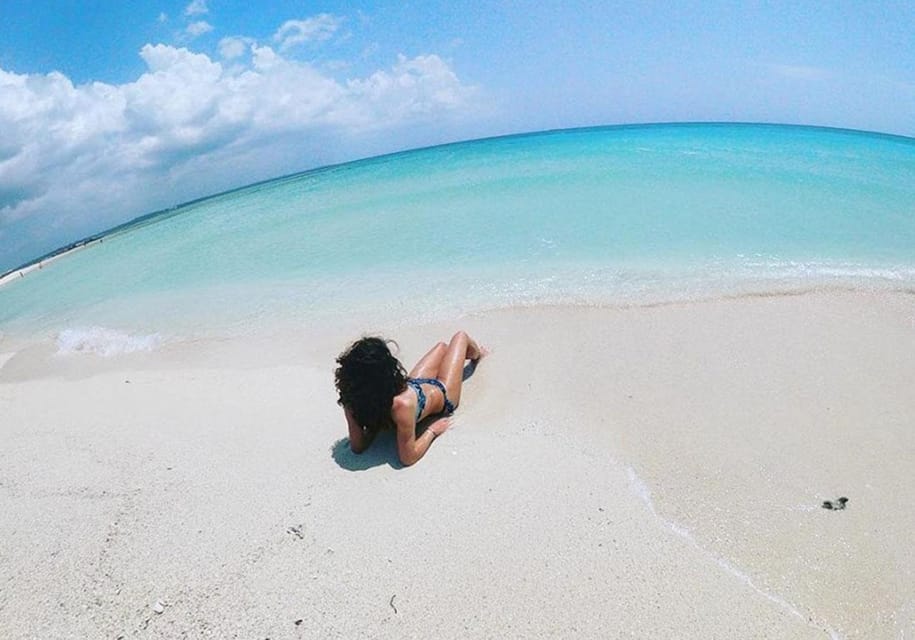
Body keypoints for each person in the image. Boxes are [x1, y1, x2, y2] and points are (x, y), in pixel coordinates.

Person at [335, 331, 485, 466]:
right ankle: (478, 355)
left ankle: (464, 357)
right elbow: (408, 457)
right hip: (443, 393)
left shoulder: (351, 401)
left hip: (413, 386)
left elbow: (357, 446)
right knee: (460, 337)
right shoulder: (401, 406)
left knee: (442, 347)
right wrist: (432, 431)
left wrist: (374, 428)